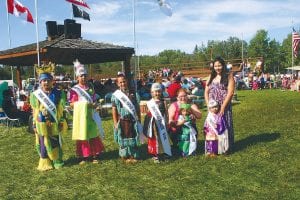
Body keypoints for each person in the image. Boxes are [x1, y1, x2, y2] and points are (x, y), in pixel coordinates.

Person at [30, 62, 68, 171]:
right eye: (43, 81)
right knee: (43, 141)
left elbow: (61, 109)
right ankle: (45, 161)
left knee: (55, 140)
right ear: (40, 82)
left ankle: (57, 160)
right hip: (41, 123)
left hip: (54, 121)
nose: (46, 82)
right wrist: (34, 123)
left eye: (48, 80)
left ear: (52, 81)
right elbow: (34, 110)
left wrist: (61, 120)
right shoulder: (35, 95)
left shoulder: (58, 93)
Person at [69, 60, 104, 164]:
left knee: (92, 134)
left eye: (85, 75)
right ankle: (83, 156)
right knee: (82, 135)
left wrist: (96, 105)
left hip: (91, 115)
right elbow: (71, 104)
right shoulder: (74, 90)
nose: (83, 77)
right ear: (77, 78)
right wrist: (85, 105)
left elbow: (93, 100)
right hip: (81, 116)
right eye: (81, 76)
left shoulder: (90, 88)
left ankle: (94, 154)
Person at [204, 56, 235, 153]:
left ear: (223, 65)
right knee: (213, 127)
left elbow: (230, 92)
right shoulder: (211, 77)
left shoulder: (229, 76)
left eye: (219, 65)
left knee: (225, 125)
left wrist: (223, 107)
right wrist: (209, 105)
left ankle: (225, 148)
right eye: (215, 66)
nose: (217, 68)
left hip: (224, 105)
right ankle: (214, 148)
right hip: (213, 107)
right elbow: (206, 92)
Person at [111, 74, 142, 164]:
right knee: (123, 138)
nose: (122, 84)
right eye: (120, 82)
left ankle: (133, 155)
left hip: (132, 120)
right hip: (122, 121)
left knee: (133, 137)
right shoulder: (116, 96)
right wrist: (115, 122)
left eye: (124, 81)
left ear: (127, 81)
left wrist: (139, 120)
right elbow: (114, 110)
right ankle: (125, 156)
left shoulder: (134, 94)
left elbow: (137, 109)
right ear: (117, 83)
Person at [143, 83, 171, 163]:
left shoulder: (163, 102)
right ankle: (155, 154)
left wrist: (167, 122)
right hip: (153, 125)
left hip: (162, 123)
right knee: (155, 139)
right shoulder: (150, 103)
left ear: (161, 92)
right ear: (152, 93)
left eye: (158, 91)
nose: (157, 93)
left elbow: (166, 113)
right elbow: (148, 114)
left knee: (163, 138)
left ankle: (165, 152)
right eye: (155, 92)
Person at [168, 88, 202, 155]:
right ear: (177, 98)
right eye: (181, 96)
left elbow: (199, 116)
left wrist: (192, 111)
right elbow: (170, 120)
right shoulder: (173, 106)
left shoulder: (191, 105)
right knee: (178, 148)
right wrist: (179, 122)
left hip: (190, 130)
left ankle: (189, 147)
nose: (183, 98)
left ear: (187, 96)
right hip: (177, 129)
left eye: (185, 96)